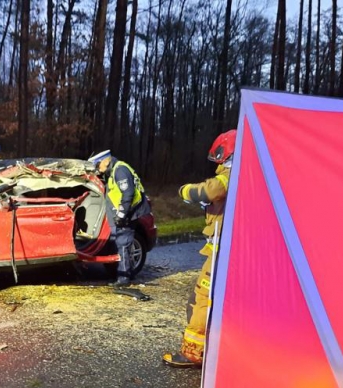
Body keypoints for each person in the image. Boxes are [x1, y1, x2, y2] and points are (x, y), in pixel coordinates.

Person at [162, 129, 236, 368]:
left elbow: (210, 190)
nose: (218, 164)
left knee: (203, 298)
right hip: (230, 252)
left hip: (221, 254)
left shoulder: (232, 175)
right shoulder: (249, 177)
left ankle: (193, 353)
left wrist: (185, 191)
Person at [87, 149, 151, 288]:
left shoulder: (120, 170)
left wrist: (121, 215)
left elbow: (128, 194)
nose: (97, 169)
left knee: (123, 244)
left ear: (106, 161)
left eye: (98, 165)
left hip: (128, 214)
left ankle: (124, 278)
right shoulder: (112, 172)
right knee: (122, 244)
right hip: (124, 214)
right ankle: (125, 274)